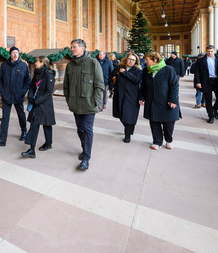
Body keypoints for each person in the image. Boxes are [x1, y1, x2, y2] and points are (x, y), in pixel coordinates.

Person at [63, 39, 105, 170]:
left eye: (74, 47)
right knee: (80, 129)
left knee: (87, 130)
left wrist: (97, 102)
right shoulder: (70, 65)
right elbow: (66, 85)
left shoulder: (93, 63)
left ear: (82, 48)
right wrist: (69, 99)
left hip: (89, 104)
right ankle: (84, 148)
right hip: (75, 104)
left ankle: (86, 157)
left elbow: (99, 84)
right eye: (71, 47)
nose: (72, 49)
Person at [139, 52, 181, 150]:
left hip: (167, 102)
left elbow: (174, 86)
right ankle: (157, 141)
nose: (145, 61)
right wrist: (141, 97)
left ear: (155, 60)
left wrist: (173, 100)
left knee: (168, 124)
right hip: (152, 101)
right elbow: (143, 86)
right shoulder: (146, 71)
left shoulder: (168, 70)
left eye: (147, 59)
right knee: (154, 122)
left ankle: (169, 140)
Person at [0, 46, 31, 147]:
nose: (15, 55)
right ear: (10, 54)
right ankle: (2, 139)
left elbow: (27, 81)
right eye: (13, 53)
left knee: (21, 115)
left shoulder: (23, 66)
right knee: (5, 118)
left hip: (18, 96)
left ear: (19, 54)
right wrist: (2, 92)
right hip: (6, 96)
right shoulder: (4, 65)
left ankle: (24, 132)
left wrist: (22, 92)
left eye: (17, 53)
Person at [21, 56, 56, 158]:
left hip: (45, 104)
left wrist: (37, 100)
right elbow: (32, 86)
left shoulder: (49, 75)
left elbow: (48, 92)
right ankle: (32, 150)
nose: (35, 63)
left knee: (47, 124)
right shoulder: (37, 72)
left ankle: (48, 143)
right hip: (36, 104)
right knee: (34, 125)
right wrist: (30, 96)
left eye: (37, 62)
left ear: (42, 63)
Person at [111, 52, 143, 143]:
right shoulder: (119, 68)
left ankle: (128, 134)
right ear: (126, 59)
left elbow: (136, 80)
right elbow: (111, 75)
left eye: (133, 60)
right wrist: (112, 86)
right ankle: (128, 128)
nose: (130, 61)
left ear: (136, 61)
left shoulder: (138, 70)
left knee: (129, 116)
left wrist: (125, 73)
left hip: (132, 96)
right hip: (119, 95)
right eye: (129, 59)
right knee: (120, 113)